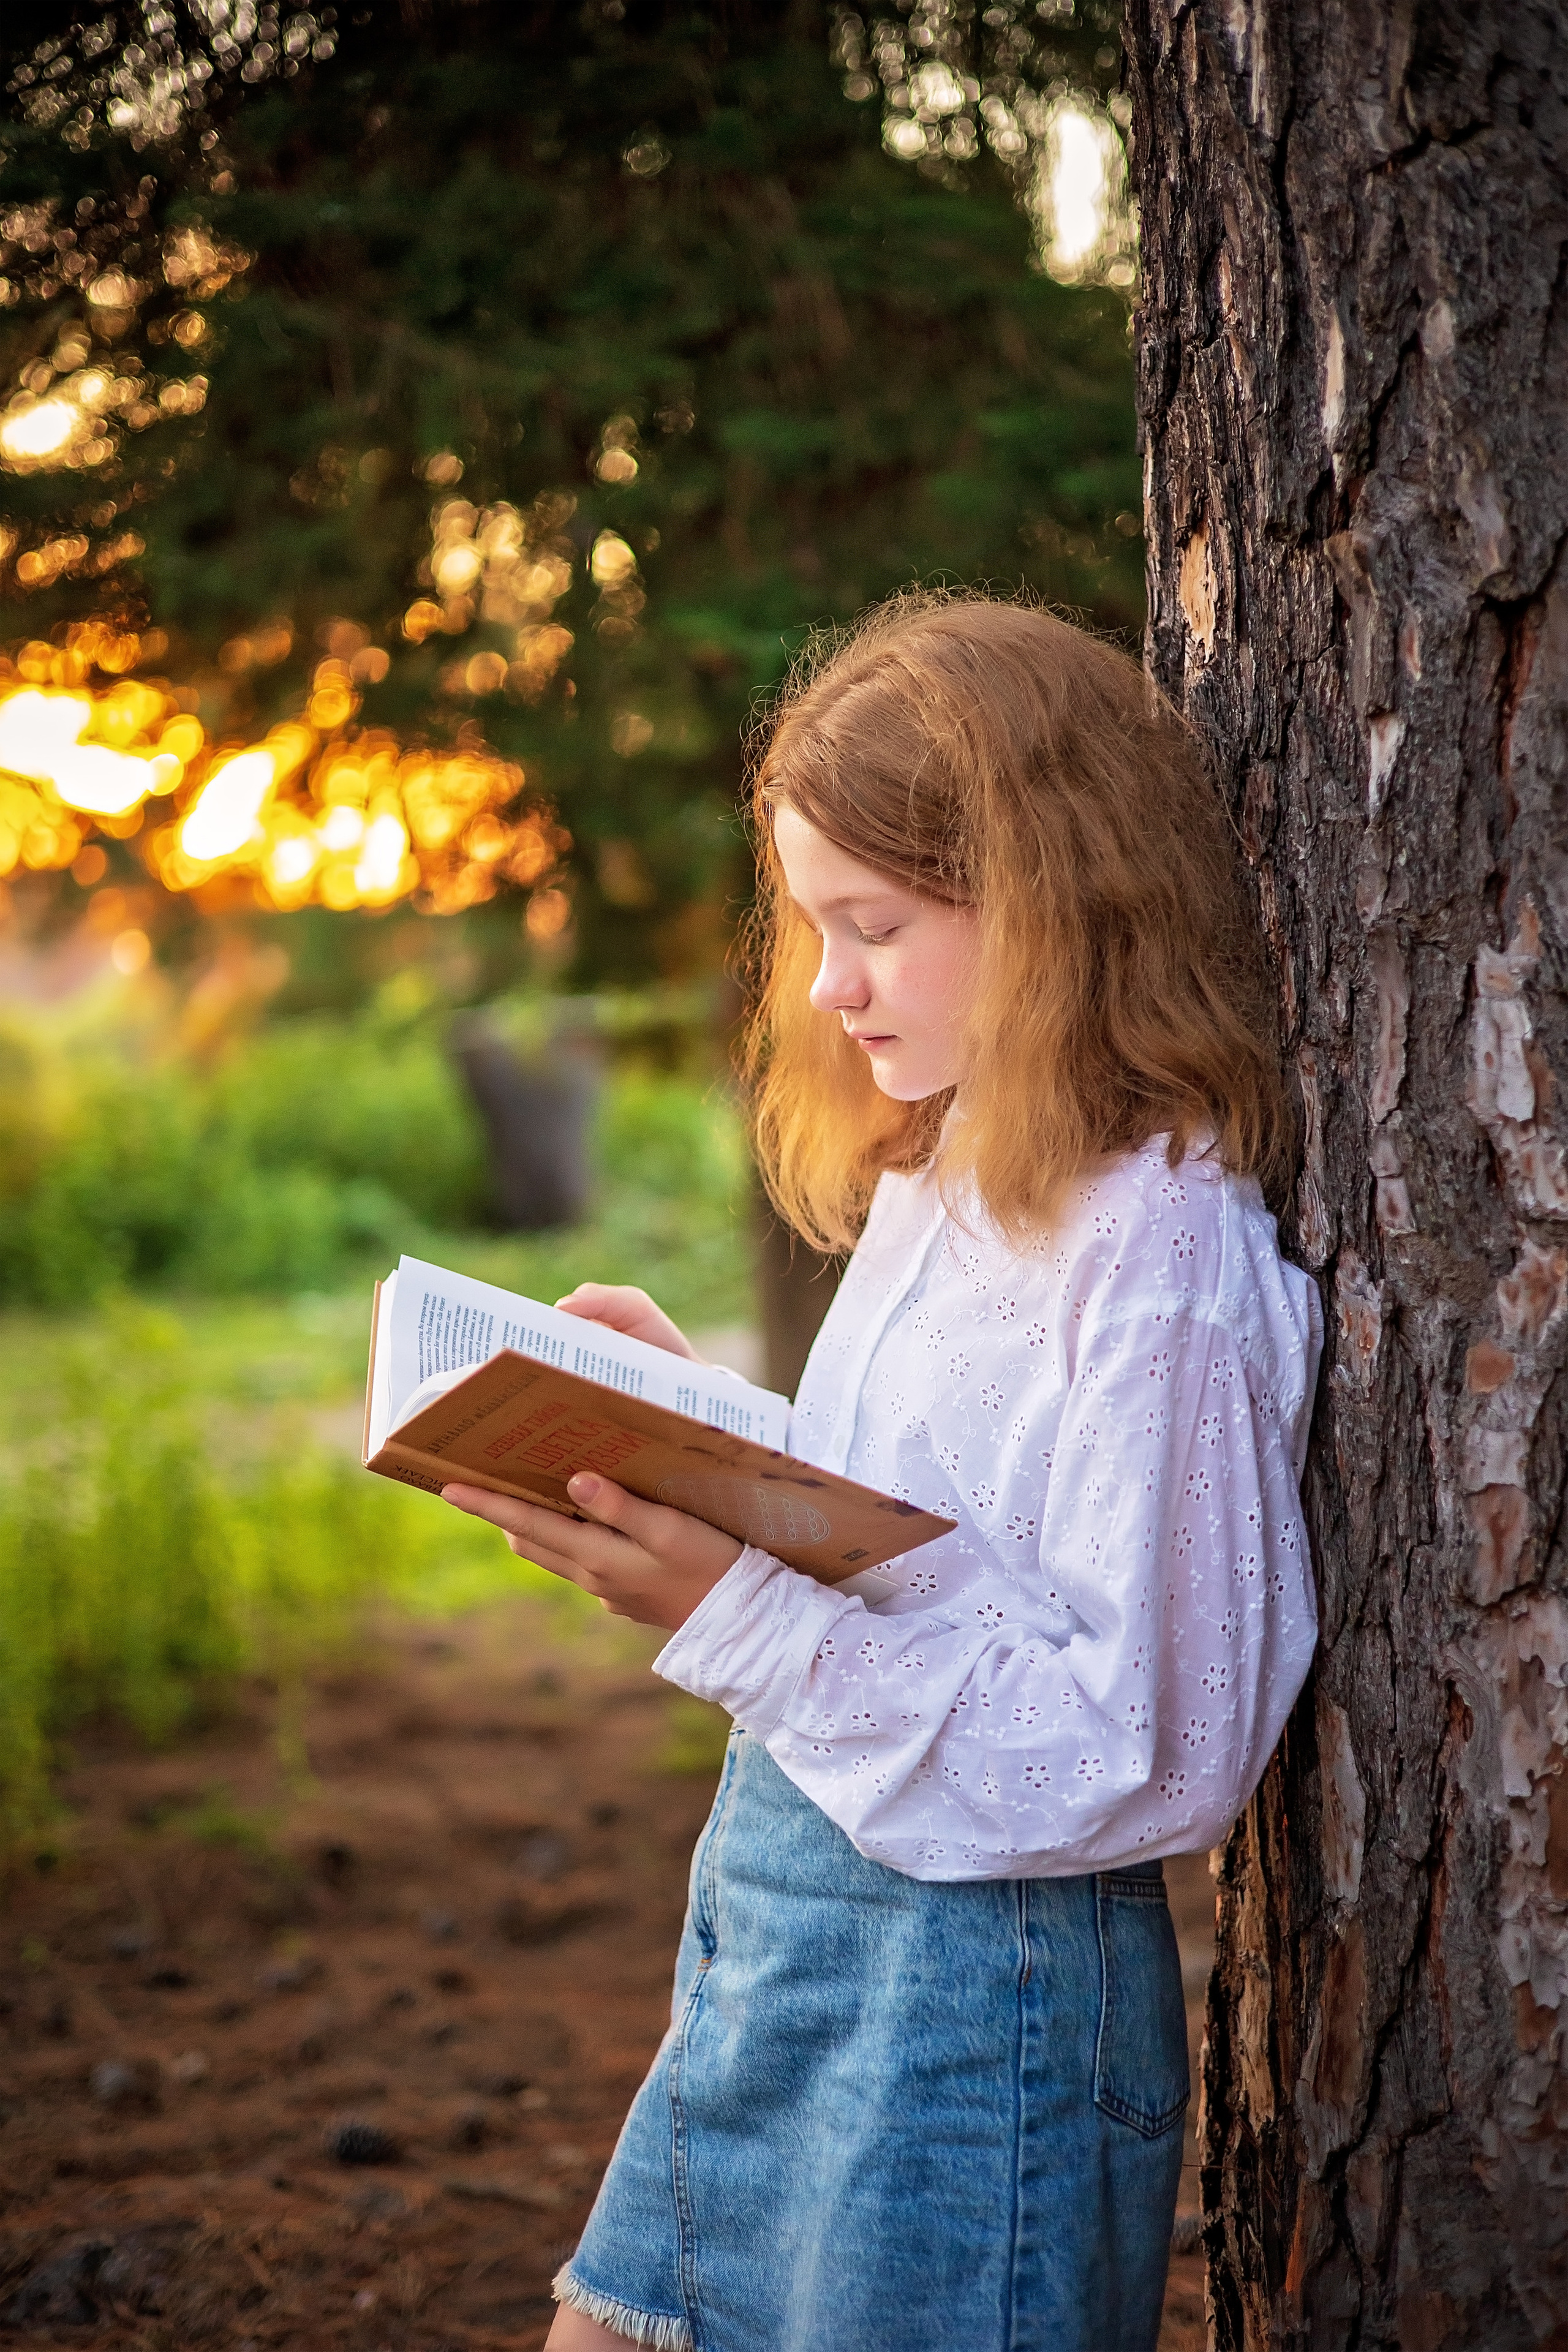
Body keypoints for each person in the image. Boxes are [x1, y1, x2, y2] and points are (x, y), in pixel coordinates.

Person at [440, 594, 1322, 2352]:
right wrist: (692, 1443)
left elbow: (1149, 1751)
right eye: (817, 925)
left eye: (880, 925)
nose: (830, 984)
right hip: (775, 1932)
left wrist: (734, 1614)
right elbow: (929, 1550)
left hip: (969, 2016)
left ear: (1057, 900)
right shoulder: (955, 1175)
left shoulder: (1157, 1257)